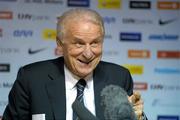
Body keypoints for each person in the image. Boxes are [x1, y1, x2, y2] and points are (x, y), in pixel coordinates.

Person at [2, 8, 147, 120]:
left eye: (95, 43)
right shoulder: (31, 79)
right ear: (60, 44)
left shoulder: (119, 78)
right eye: (79, 44)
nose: (88, 53)